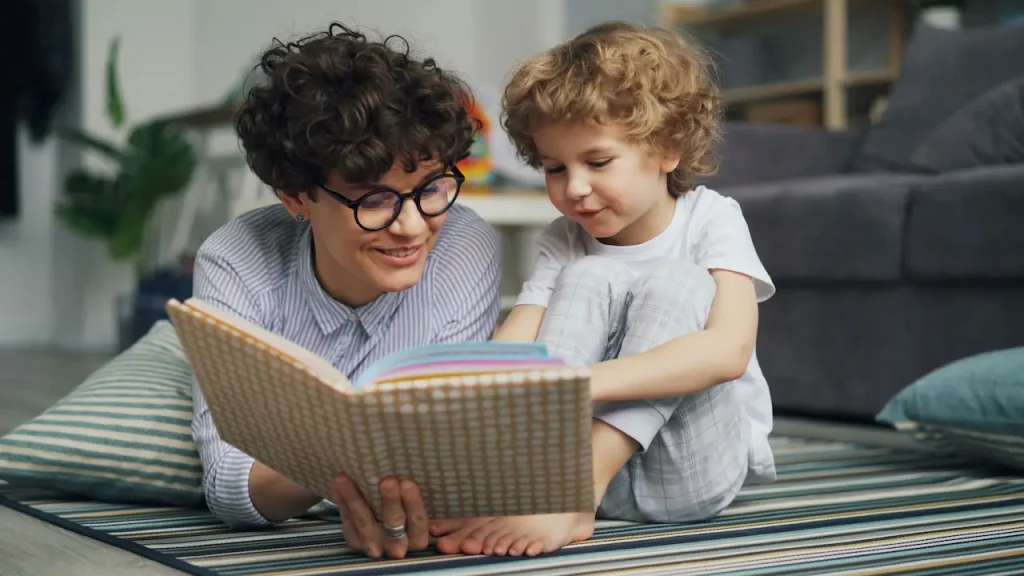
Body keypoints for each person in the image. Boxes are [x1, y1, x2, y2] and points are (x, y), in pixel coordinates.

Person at [429, 21, 777, 557]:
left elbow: (728, 353)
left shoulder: (711, 219)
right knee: (590, 274)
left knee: (679, 281)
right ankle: (552, 491)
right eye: (553, 168)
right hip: (567, 470)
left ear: (668, 148)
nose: (574, 188)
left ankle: (576, 493)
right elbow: (516, 349)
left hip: (688, 471)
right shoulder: (564, 239)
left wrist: (576, 381)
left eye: (597, 162)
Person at [189, 23, 502, 560]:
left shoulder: (466, 243)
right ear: (295, 196)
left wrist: (371, 481)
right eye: (374, 200)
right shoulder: (236, 259)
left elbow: (449, 456)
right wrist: (361, 464)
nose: (411, 227)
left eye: (430, 188)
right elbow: (228, 484)